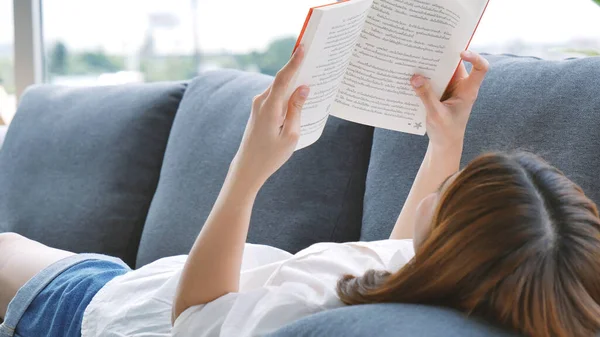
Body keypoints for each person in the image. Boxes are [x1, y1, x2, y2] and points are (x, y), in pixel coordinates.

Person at [0, 47, 599, 337]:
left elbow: (195, 319)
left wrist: (250, 166)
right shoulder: (451, 279)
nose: (439, 193)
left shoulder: (314, 308)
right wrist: (446, 143)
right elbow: (393, 253)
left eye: (452, 192)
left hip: (101, 311)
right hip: (135, 287)